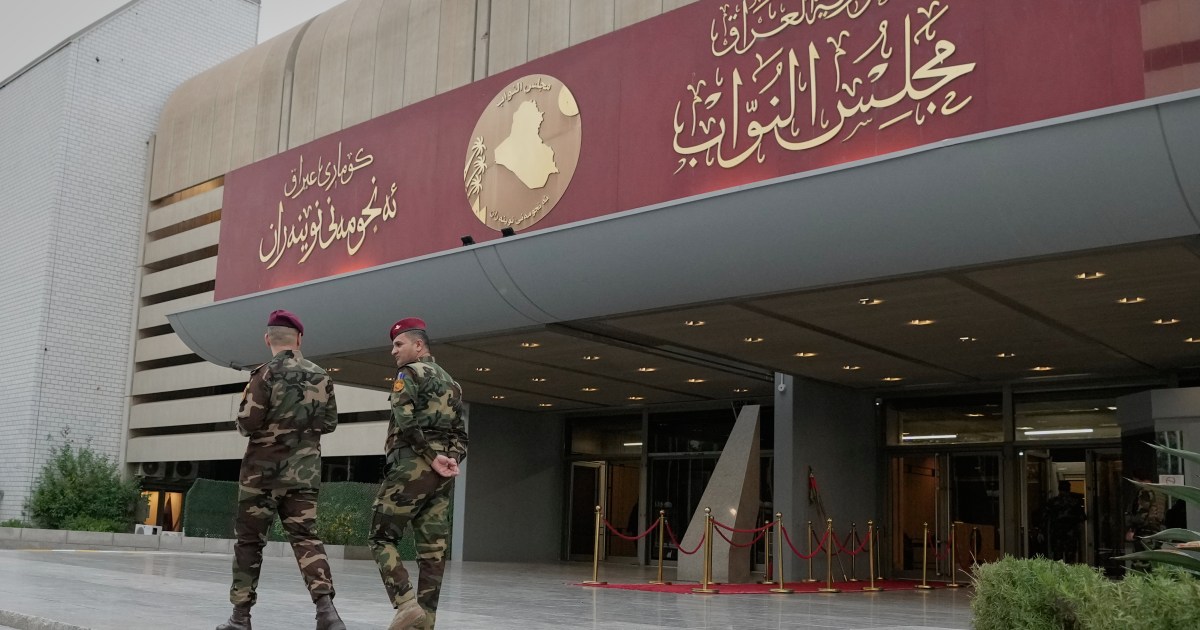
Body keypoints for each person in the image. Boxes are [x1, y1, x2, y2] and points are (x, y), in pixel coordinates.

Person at [217, 310, 345, 630]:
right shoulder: (321, 376)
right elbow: (329, 423)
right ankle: (326, 612)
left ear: (267, 339)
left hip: (260, 476)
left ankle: (240, 617)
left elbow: (248, 423)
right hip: (303, 475)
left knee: (249, 543)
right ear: (299, 339)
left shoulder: (263, 375)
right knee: (306, 538)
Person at [370, 318, 468, 630]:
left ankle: (406, 604)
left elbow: (405, 418)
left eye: (399, 344)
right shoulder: (453, 384)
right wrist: (451, 459)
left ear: (419, 345)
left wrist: (429, 455)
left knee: (381, 537)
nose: (393, 351)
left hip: (411, 466)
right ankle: (425, 624)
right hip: (441, 477)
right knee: (433, 552)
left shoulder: (409, 373)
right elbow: (461, 435)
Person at [1043, 480, 1085, 563]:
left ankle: (1059, 572)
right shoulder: (1074, 502)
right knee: (1070, 559)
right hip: (1071, 535)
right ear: (1069, 489)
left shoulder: (1052, 502)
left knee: (1058, 559)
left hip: (1057, 534)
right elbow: (1082, 517)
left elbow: (1045, 517)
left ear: (1059, 489)